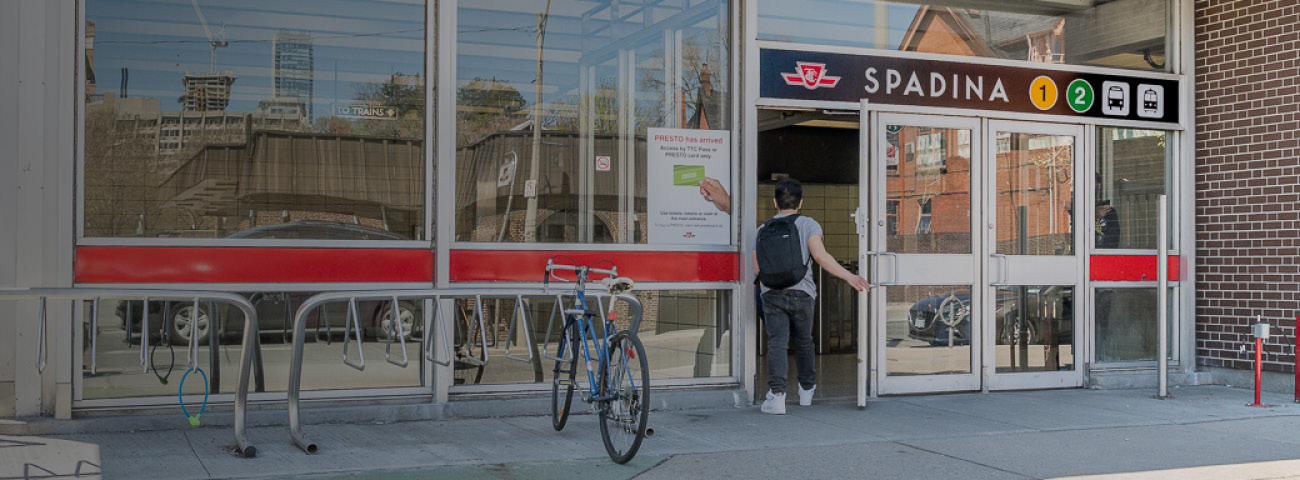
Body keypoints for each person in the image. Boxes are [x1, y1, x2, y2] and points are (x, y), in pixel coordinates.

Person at [755, 178, 868, 415]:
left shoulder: (762, 230)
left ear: (775, 202)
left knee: (777, 342)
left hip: (772, 294)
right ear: (801, 202)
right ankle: (806, 392)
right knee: (804, 341)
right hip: (802, 293)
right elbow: (820, 256)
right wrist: (849, 277)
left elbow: (758, 270)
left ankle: (777, 397)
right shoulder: (808, 224)